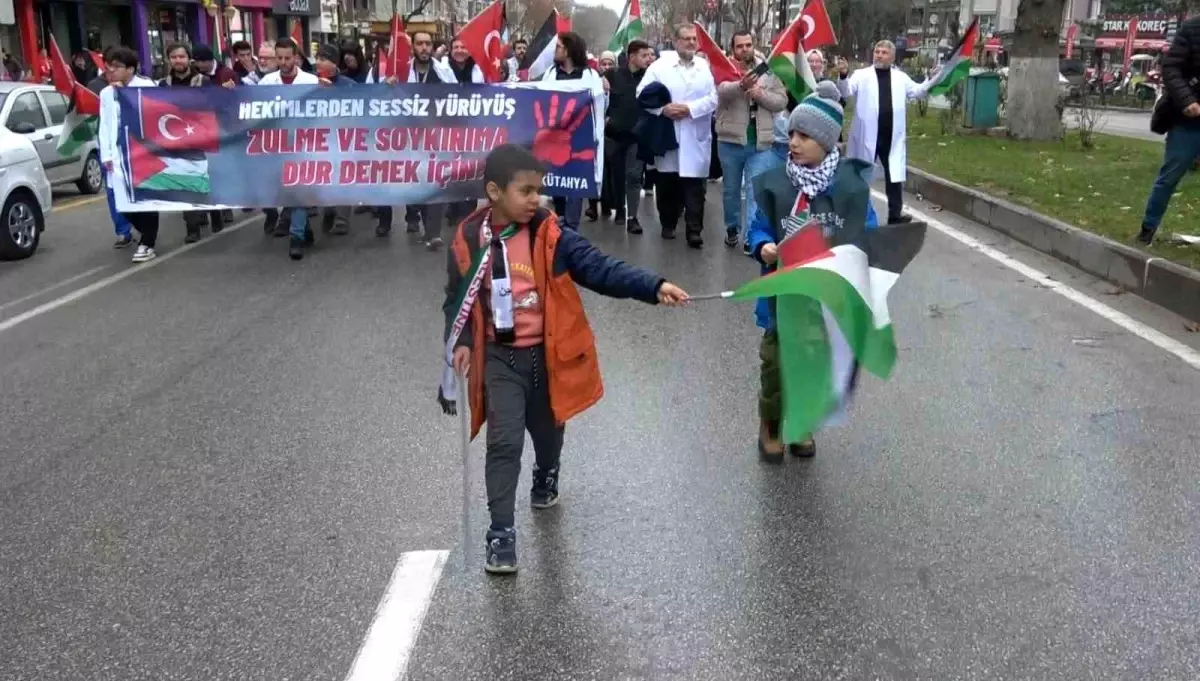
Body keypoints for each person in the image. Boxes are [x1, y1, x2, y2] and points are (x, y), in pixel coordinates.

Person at [442, 144, 689, 574]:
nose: (536, 199)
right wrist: (460, 339)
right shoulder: (466, 239)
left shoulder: (550, 233)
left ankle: (547, 470)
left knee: (547, 431)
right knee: (503, 443)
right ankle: (501, 533)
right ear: (494, 191)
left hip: (546, 355)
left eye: (539, 190)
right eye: (526, 191)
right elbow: (455, 300)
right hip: (499, 359)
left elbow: (600, 268)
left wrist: (654, 285)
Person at [746, 81, 871, 458]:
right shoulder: (778, 184)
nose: (794, 141)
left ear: (828, 142)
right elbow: (759, 226)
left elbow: (866, 232)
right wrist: (762, 245)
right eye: (793, 133)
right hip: (781, 301)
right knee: (775, 369)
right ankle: (770, 427)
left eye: (804, 135)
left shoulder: (848, 187)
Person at [636, 24, 717, 248]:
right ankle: (668, 224)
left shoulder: (703, 66)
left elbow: (713, 99)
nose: (692, 43)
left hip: (695, 132)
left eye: (694, 39)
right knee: (667, 184)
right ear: (675, 41)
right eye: (687, 39)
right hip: (668, 133)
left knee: (695, 187)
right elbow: (641, 94)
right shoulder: (659, 67)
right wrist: (663, 110)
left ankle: (694, 230)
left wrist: (690, 109)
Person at [840, 40, 935, 224]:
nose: (879, 55)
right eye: (877, 51)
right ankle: (856, 213)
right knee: (861, 175)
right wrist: (843, 76)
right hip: (867, 136)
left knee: (894, 176)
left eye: (884, 52)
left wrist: (931, 79)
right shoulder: (861, 75)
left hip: (891, 136)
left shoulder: (900, 77)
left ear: (892, 57)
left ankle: (895, 214)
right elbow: (846, 91)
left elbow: (917, 92)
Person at [376, 31, 455, 244]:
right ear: (413, 48)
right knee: (416, 182)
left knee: (436, 182)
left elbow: (458, 100)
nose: (424, 48)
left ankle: (433, 233)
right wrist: (388, 87)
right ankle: (417, 215)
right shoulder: (399, 73)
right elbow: (379, 102)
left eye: (428, 44)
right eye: (419, 44)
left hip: (436, 134)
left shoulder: (444, 72)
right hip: (408, 137)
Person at [716, 30, 787, 251]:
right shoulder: (724, 66)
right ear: (733, 48)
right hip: (730, 142)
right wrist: (741, 86)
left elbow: (781, 101)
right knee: (731, 190)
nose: (744, 49)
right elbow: (721, 91)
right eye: (740, 46)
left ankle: (751, 237)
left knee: (756, 191)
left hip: (761, 143)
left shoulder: (768, 69)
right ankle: (732, 228)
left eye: (748, 45)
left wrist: (760, 94)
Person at [258, 38, 320, 260]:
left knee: (299, 188)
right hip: (276, 144)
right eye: (279, 58)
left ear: (296, 57)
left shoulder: (311, 81)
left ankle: (296, 238)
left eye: (288, 58)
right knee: (285, 190)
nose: (283, 62)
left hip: (304, 143)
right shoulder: (266, 82)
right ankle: (305, 229)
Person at [1140, 15, 1200, 244]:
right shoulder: (1192, 29)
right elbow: (1171, 68)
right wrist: (1187, 101)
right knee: (1170, 175)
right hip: (1189, 120)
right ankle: (1148, 228)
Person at [158, 43, 225, 243]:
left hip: (201, 137)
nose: (178, 60)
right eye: (174, 57)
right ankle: (192, 226)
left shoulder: (202, 81)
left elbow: (214, 106)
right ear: (168, 59)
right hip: (175, 139)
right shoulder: (163, 84)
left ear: (189, 59)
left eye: (181, 56)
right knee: (184, 182)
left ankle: (215, 213)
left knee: (205, 178)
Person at [98, 46, 159, 263]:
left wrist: (124, 95)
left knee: (145, 199)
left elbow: (153, 116)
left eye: (116, 67)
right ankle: (146, 233)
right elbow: (104, 125)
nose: (111, 71)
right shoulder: (106, 94)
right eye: (107, 67)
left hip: (143, 152)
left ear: (130, 69)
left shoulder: (146, 86)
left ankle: (148, 243)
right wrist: (106, 155)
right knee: (123, 204)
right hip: (117, 155)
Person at [542, 32, 608, 230]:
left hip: (580, 141)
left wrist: (605, 93)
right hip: (555, 141)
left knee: (576, 185)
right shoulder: (550, 74)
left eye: (559, 47)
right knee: (558, 185)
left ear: (569, 50)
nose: (556, 51)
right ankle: (559, 224)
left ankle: (571, 229)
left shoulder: (591, 76)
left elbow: (599, 107)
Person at [605, 39, 653, 234]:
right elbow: (599, 94)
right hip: (614, 135)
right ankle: (619, 209)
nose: (648, 59)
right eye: (644, 55)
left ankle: (633, 217)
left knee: (634, 176)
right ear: (632, 57)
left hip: (637, 136)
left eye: (649, 55)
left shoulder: (650, 77)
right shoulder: (612, 75)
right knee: (616, 175)